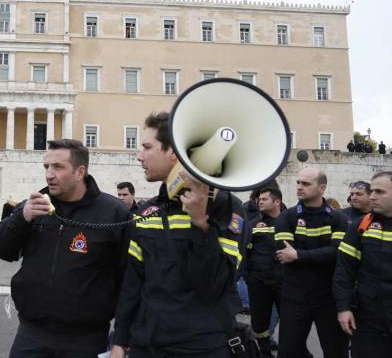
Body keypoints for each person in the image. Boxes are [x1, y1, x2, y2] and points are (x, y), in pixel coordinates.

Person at [112, 112, 243, 357]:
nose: (139, 155)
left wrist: (200, 223)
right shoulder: (147, 210)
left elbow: (215, 286)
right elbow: (133, 282)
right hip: (146, 344)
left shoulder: (225, 207)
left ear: (173, 151)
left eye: (147, 147)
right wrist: (120, 339)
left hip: (201, 347)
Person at [0, 139, 130, 357]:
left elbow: (129, 280)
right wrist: (22, 217)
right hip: (31, 334)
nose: (49, 174)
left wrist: (121, 339)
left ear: (79, 171)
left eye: (58, 167)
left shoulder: (114, 213)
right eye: (46, 166)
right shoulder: (35, 205)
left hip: (86, 340)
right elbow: (2, 249)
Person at [274, 167, 349, 358]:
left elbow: (338, 253)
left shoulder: (338, 218)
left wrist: (299, 255)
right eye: (298, 182)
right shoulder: (286, 217)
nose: (299, 187)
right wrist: (321, 255)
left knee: (336, 352)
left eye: (306, 183)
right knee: (288, 352)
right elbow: (284, 255)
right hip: (294, 297)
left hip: (329, 298)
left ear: (322, 188)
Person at [334, 171, 392, 357]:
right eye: (372, 191)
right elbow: (344, 270)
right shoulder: (361, 226)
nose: (372, 196)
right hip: (369, 318)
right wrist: (343, 308)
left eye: (379, 192)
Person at [243, 187, 284, 356]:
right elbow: (245, 252)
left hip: (286, 283)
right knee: (259, 323)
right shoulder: (254, 224)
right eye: (259, 199)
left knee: (291, 321)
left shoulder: (290, 222)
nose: (259, 201)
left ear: (277, 202)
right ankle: (265, 352)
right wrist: (249, 278)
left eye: (264, 199)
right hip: (259, 283)